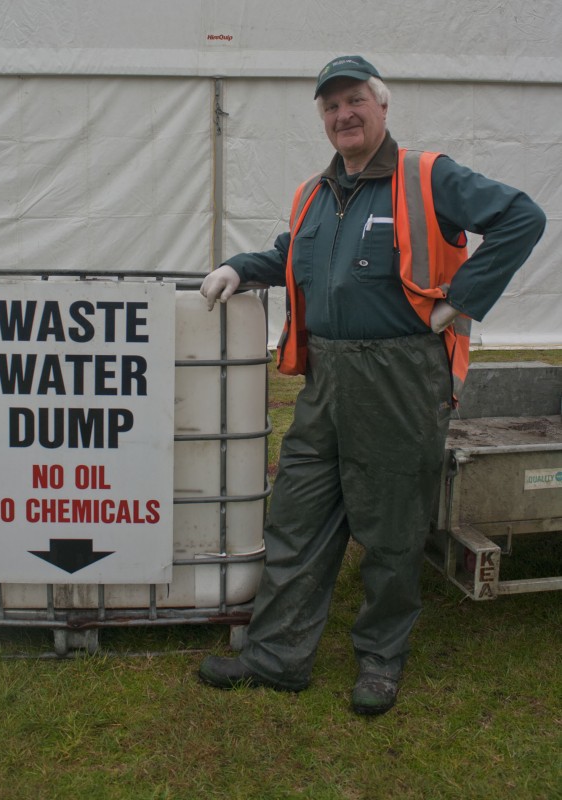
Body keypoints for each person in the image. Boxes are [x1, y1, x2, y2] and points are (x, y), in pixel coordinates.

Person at [197, 54, 546, 715]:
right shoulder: (315, 194)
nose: (342, 115)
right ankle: (277, 658)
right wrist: (239, 269)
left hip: (399, 377)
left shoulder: (427, 175)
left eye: (354, 100)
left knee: (390, 529)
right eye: (330, 106)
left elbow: (522, 217)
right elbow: (290, 254)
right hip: (328, 377)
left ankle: (381, 663)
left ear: (382, 106)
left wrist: (461, 299)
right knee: (297, 516)